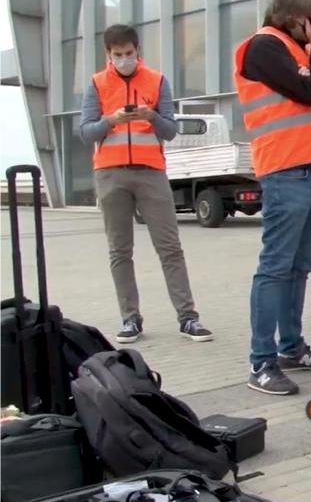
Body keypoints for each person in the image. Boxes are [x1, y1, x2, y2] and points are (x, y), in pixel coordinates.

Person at [235, 0, 311, 395]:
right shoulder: (263, 47)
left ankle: (290, 347)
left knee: (299, 268)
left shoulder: (298, 52)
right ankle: (261, 362)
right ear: (296, 17)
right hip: (285, 170)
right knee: (276, 269)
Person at [79, 24, 213, 345]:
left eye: (129, 53)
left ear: (138, 51)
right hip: (111, 175)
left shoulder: (156, 80)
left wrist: (151, 115)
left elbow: (169, 130)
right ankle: (130, 318)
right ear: (108, 55)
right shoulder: (97, 84)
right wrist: (110, 121)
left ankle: (188, 318)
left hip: (151, 173)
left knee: (170, 248)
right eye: (118, 55)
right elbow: (85, 131)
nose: (124, 59)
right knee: (120, 250)